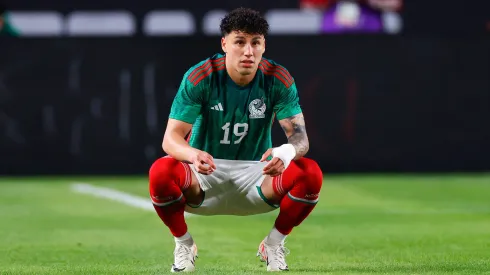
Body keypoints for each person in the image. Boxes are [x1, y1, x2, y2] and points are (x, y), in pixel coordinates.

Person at [148, 7, 323, 272]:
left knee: (310, 173)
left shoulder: (277, 78)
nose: (248, 51)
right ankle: (183, 243)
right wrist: (193, 155)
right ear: (225, 43)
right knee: (160, 171)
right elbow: (171, 139)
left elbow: (300, 138)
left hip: (256, 175)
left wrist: (284, 153)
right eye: (240, 42)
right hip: (205, 174)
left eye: (256, 42)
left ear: (264, 45)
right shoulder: (201, 77)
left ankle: (274, 244)